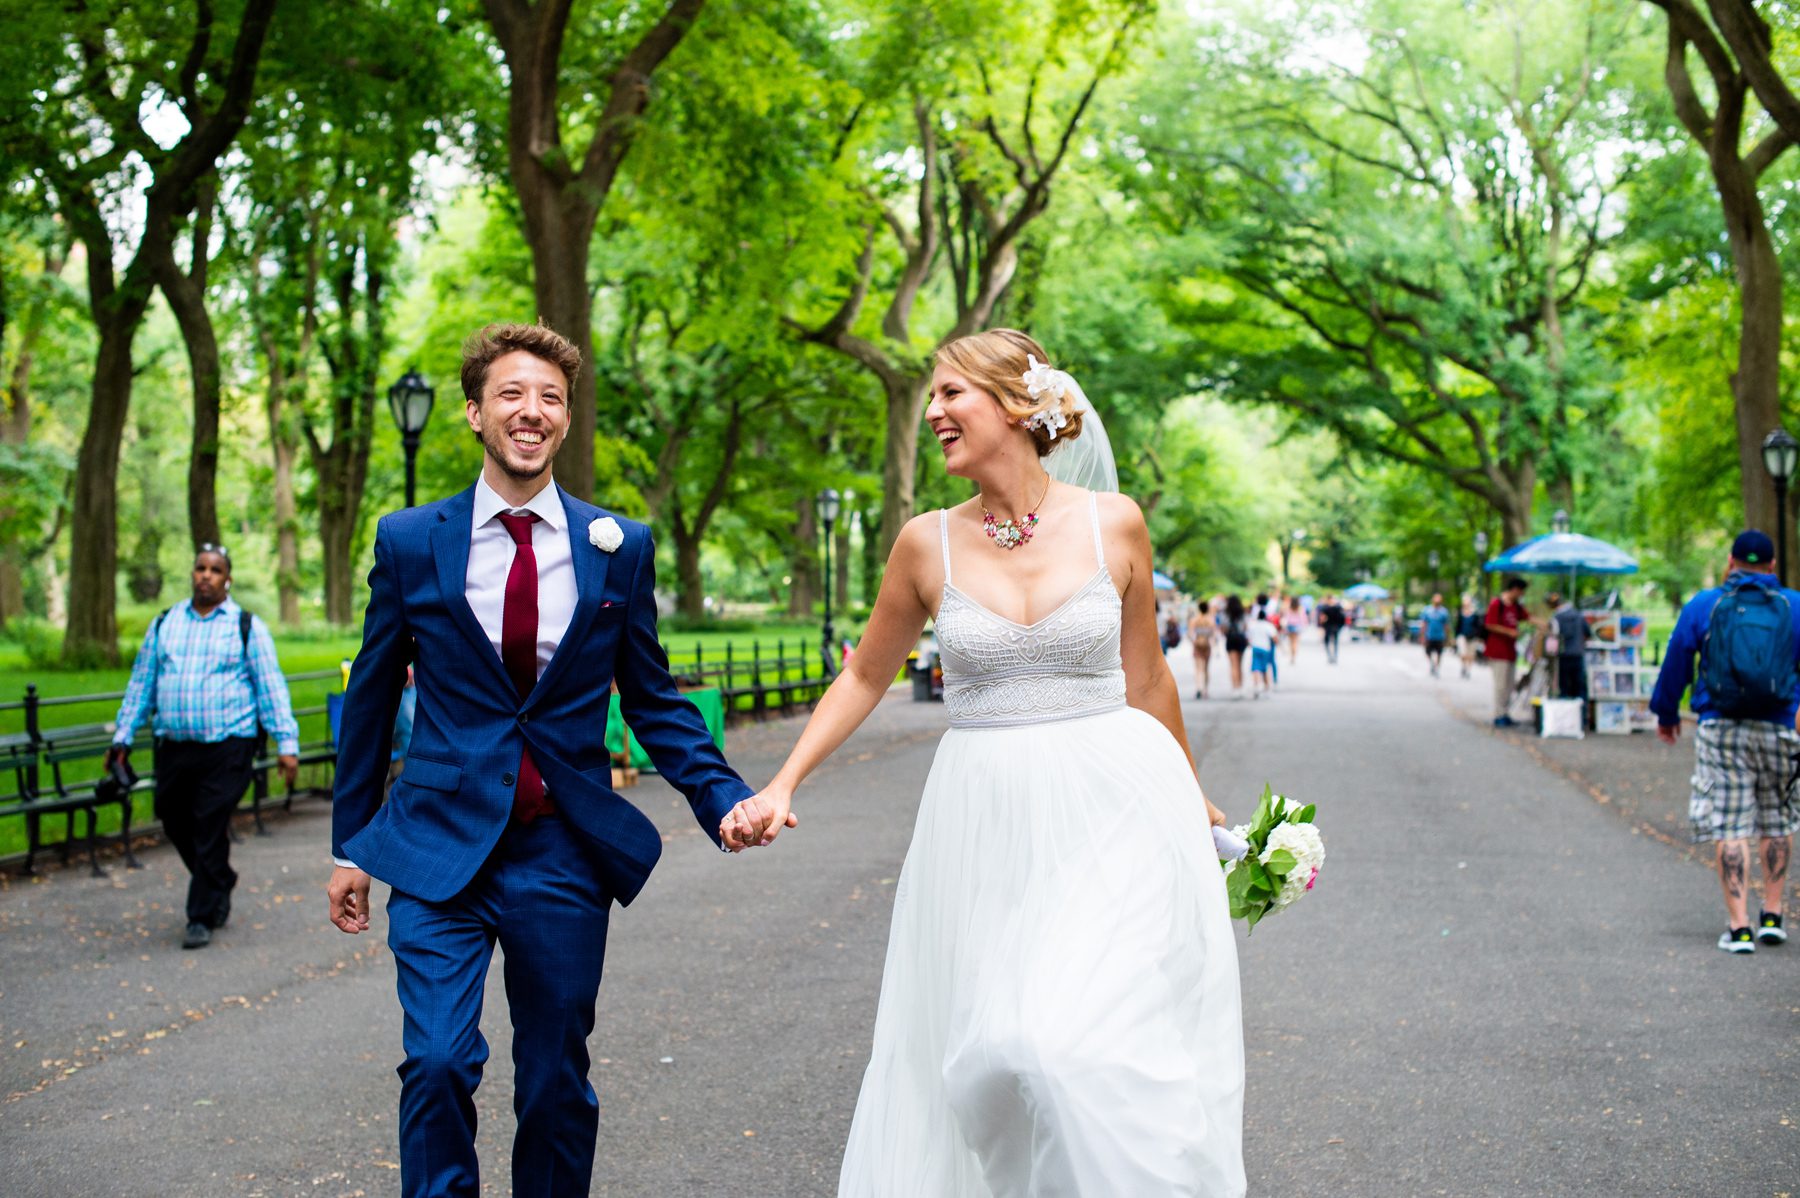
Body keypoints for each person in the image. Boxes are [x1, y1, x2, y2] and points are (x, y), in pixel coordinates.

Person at [722, 329, 1245, 1195]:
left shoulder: (1116, 524)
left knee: (1068, 1049)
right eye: (933, 396)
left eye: (951, 394)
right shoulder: (926, 544)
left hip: (1116, 811)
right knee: (994, 1059)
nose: (932, 413)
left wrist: (1195, 798)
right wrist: (783, 781)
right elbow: (863, 673)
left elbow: (1146, 676)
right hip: (984, 827)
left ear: (1014, 404)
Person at [326, 323, 759, 1196]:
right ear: (477, 413)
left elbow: (653, 698)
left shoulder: (617, 546)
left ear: (564, 420)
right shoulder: (412, 541)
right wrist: (350, 846)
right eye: (513, 395)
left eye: (551, 398)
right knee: (440, 1062)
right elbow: (373, 697)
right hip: (437, 843)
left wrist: (723, 799)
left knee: (556, 1076)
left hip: (561, 850)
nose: (532, 411)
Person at [108, 546, 299, 950]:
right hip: (175, 746)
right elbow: (142, 683)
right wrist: (123, 736)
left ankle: (200, 916)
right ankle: (220, 879)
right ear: (192, 573)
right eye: (200, 568)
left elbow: (271, 688)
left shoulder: (246, 626)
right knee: (172, 815)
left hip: (229, 745)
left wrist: (287, 743)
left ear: (227, 579)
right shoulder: (165, 623)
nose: (206, 575)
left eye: (215, 570)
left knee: (209, 820)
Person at [1649, 530, 1798, 954]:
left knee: (1731, 823)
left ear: (1731, 562)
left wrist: (1666, 714)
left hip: (1722, 729)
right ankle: (1773, 916)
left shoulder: (1704, 604)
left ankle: (1740, 929)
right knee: (1777, 819)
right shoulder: (1795, 606)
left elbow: (1678, 656)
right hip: (1780, 727)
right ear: (1772, 566)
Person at [1484, 576, 1531, 726]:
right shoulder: (1497, 604)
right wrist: (1509, 632)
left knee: (1510, 684)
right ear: (1515, 590)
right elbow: (1490, 624)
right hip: (1497, 651)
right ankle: (1499, 715)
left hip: (1511, 652)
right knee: (1501, 684)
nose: (1522, 595)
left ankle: (1505, 713)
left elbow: (1529, 617)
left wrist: (1546, 624)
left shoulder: (1516, 606)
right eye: (1521, 592)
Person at [1549, 591, 1588, 701]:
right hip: (1578, 654)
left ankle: (1565, 714)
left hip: (1563, 656)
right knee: (1579, 688)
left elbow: (1552, 639)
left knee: (1564, 688)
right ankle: (1581, 714)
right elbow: (1588, 633)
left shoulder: (1556, 617)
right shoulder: (1579, 615)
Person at [1247, 602, 1278, 698]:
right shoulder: (1268, 625)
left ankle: (1256, 686)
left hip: (1255, 648)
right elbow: (1274, 638)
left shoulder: (1253, 625)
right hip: (1265, 648)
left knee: (1255, 668)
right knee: (1264, 669)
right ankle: (1266, 686)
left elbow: (1248, 637)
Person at [1188, 599, 1217, 699]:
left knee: (1198, 669)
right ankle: (1205, 690)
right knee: (1206, 669)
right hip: (1207, 646)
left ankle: (1198, 688)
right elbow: (1213, 635)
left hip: (1197, 646)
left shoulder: (1194, 620)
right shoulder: (1210, 620)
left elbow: (1191, 634)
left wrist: (1194, 643)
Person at [1223, 593, 1250, 697]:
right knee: (1240, 665)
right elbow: (1246, 627)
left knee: (1233, 665)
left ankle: (1235, 688)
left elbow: (1224, 629)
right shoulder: (1243, 613)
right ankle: (1240, 687)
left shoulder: (1226, 614)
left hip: (1231, 639)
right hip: (1241, 639)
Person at [1420, 592, 1451, 678]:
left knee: (1439, 653)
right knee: (1427, 652)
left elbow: (1446, 625)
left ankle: (1437, 668)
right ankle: (1432, 664)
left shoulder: (1444, 611)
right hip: (1429, 635)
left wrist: (1448, 637)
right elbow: (1424, 623)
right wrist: (1422, 636)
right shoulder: (1427, 610)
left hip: (1440, 636)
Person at [1455, 596, 1483, 679]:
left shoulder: (1475, 615)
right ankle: (1464, 666)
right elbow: (1458, 626)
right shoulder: (1461, 614)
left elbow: (1478, 626)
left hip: (1473, 637)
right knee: (1463, 653)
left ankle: (1468, 669)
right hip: (1462, 636)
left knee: (1471, 654)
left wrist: (1478, 636)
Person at [1318, 593, 1347, 663]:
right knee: (1333, 641)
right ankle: (1332, 656)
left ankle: (1332, 656)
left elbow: (1322, 618)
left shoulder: (1327, 607)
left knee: (1331, 641)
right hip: (1332, 626)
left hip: (1331, 626)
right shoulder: (1336, 607)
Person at [1284, 595, 1305, 665]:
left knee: (1290, 642)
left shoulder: (1289, 608)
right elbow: (1302, 618)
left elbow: (1287, 618)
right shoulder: (1300, 608)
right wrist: (1302, 626)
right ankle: (1293, 656)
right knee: (1295, 642)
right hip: (1297, 626)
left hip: (1290, 625)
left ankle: (1291, 656)